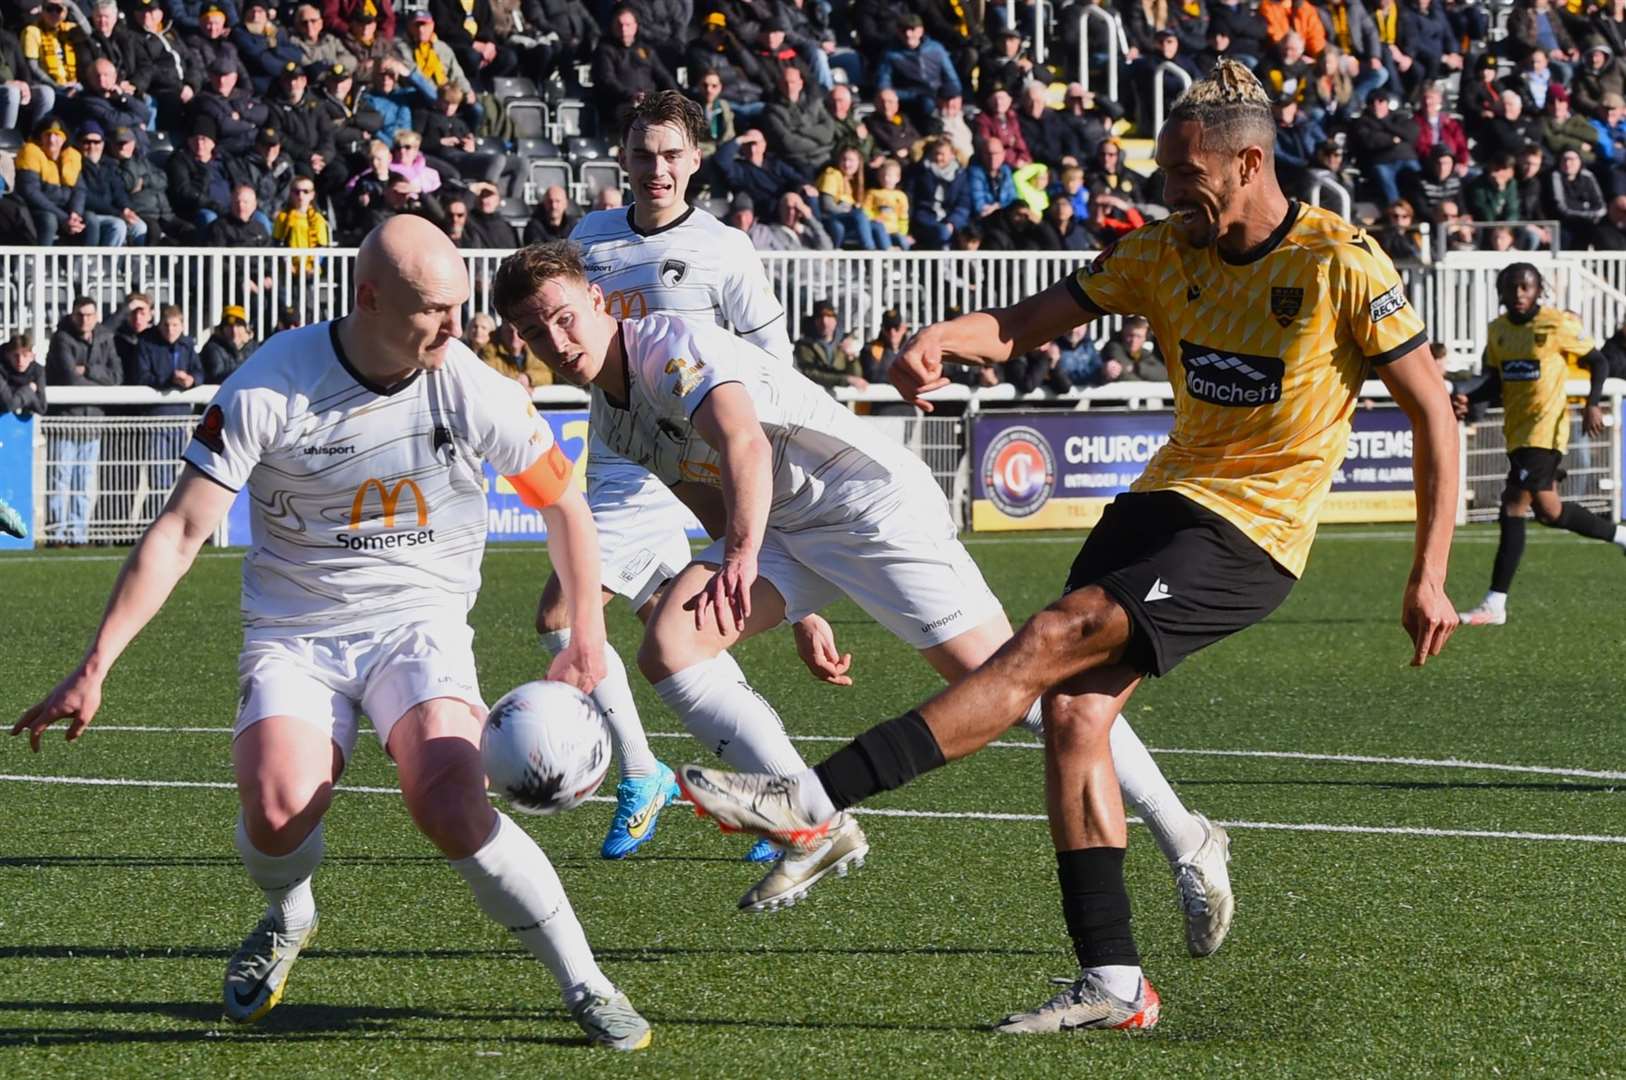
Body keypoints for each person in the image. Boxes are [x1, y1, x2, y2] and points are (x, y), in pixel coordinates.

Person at [676, 60, 1461, 1033]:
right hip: (1160, 504)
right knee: (1073, 721)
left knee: (1052, 635)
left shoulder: (1342, 262)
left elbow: (1435, 414)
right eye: (1169, 175)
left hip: (1254, 532)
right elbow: (1022, 324)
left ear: (1251, 161)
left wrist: (1428, 572)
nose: (1173, 194)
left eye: (1189, 175)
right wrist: (940, 339)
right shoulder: (1165, 252)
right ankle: (1115, 982)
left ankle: (808, 796)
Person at [10, 216, 653, 1053]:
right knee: (278, 810)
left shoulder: (468, 382)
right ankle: (290, 914)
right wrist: (94, 666)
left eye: (462, 308)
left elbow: (564, 505)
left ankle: (585, 981)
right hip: (296, 633)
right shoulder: (270, 387)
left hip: (418, 627)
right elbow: (179, 532)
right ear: (370, 297)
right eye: (434, 311)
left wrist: (588, 636)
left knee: (451, 802)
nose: (457, 329)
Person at [496, 237, 1234, 927]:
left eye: (564, 317)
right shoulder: (614, 418)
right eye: (535, 333)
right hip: (789, 534)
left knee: (1021, 689)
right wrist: (790, 605)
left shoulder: (665, 345)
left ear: (599, 302)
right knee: (671, 642)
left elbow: (742, 440)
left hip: (869, 508)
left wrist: (747, 558)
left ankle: (1187, 834)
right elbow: (712, 499)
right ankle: (816, 824)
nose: (557, 342)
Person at [533, 91, 804, 863]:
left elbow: (771, 362)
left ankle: (646, 773)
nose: (657, 168)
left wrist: (767, 460)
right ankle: (775, 790)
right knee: (676, 631)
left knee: (567, 615)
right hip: (617, 458)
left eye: (672, 155)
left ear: (695, 161)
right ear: (623, 158)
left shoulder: (726, 250)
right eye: (644, 154)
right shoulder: (590, 240)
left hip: (689, 460)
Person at [1453, 264, 1626, 626]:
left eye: (1526, 287)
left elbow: (1598, 362)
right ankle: (1621, 535)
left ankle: (1495, 602)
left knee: (1513, 504)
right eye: (1512, 287)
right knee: (1550, 511)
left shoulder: (1555, 324)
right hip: (1517, 432)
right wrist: (1469, 399)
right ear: (1501, 292)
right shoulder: (1497, 331)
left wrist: (1593, 403)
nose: (1519, 293)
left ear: (1537, 291)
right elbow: (1492, 381)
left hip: (1545, 432)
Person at [46, 296, 122, 546]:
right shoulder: (62, 338)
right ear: (72, 315)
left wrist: (88, 370)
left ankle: (78, 534)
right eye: (80, 314)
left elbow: (116, 377)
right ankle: (56, 533)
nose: (85, 319)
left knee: (84, 480)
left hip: (93, 421)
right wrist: (97, 375)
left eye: (89, 315)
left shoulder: (104, 337)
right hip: (67, 419)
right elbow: (70, 378)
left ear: (97, 316)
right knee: (60, 478)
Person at [201, 304, 259, 383]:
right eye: (229, 327)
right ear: (222, 329)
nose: (234, 331)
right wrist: (234, 347)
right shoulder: (213, 347)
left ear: (245, 329)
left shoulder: (254, 347)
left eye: (238, 326)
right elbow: (216, 377)